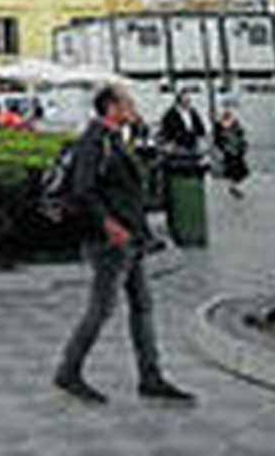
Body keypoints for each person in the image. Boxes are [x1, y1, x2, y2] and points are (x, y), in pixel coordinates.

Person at [55, 85, 194, 405]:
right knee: (101, 310)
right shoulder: (95, 141)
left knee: (142, 307)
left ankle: (151, 377)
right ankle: (68, 371)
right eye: (127, 103)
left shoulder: (115, 138)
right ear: (111, 107)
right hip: (109, 241)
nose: (133, 107)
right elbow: (83, 191)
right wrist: (108, 225)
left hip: (130, 239)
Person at [212, 107, 250, 199]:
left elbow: (241, 134)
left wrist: (241, 144)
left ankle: (234, 186)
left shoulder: (235, 124)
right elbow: (218, 141)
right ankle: (233, 187)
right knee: (234, 169)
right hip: (228, 152)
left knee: (239, 170)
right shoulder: (219, 127)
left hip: (236, 150)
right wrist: (226, 148)